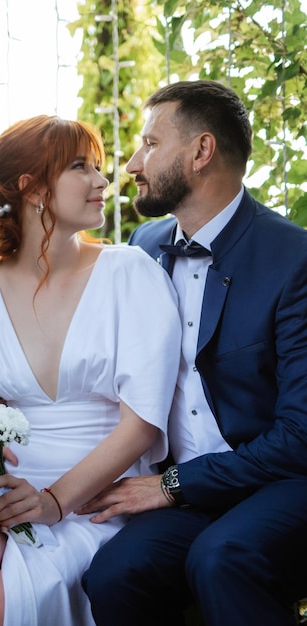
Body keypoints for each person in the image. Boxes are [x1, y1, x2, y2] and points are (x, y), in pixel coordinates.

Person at [0, 115, 181, 625]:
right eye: (79, 167)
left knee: (3, 606)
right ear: (33, 188)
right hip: (2, 498)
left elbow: (143, 423)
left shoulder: (130, 272)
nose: (102, 181)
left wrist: (53, 501)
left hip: (96, 497)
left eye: (99, 167)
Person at [79, 80, 307, 626]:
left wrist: (172, 486)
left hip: (283, 483)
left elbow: (301, 436)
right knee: (111, 574)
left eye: (150, 144)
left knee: (221, 558)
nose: (132, 164)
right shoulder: (144, 247)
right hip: (185, 490)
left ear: (202, 152)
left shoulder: (295, 259)